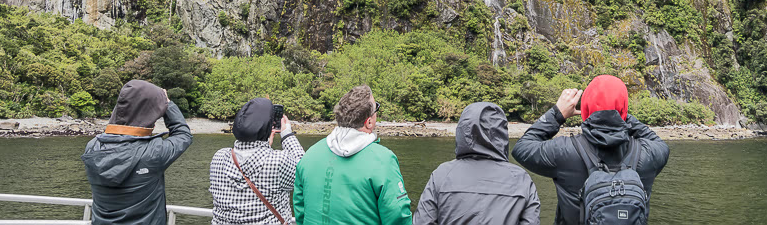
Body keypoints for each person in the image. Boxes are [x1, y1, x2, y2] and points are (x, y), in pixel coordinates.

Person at [511, 75, 670, 225]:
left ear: (585, 110)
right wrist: (619, 113)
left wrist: (557, 113)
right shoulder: (650, 153)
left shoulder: (564, 150)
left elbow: (522, 147)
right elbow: (657, 141)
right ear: (624, 111)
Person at [292, 84, 411, 225]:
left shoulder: (310, 155)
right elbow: (397, 217)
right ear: (369, 121)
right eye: (376, 107)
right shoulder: (384, 160)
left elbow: (300, 212)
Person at [82, 79, 193, 225]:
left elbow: (116, 130)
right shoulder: (153, 152)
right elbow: (183, 134)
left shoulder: (93, 147)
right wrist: (168, 103)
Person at [413, 101, 539, 225]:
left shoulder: (441, 175)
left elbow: (422, 221)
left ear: (463, 131)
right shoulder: (521, 179)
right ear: (501, 133)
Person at [210, 97, 304, 225]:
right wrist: (287, 134)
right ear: (268, 127)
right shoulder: (278, 162)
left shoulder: (219, 157)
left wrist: (265, 145)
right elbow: (305, 170)